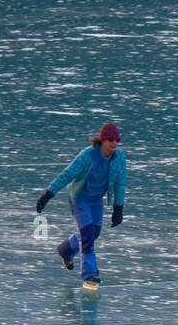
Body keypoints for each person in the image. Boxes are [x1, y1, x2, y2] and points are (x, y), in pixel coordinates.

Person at [35, 122, 126, 289]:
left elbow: (120, 183)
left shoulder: (119, 157)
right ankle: (90, 275)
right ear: (102, 140)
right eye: (110, 139)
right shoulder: (88, 155)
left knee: (94, 232)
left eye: (117, 140)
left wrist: (118, 207)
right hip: (80, 198)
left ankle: (65, 249)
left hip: (96, 199)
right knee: (87, 234)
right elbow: (67, 174)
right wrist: (48, 193)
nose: (114, 143)